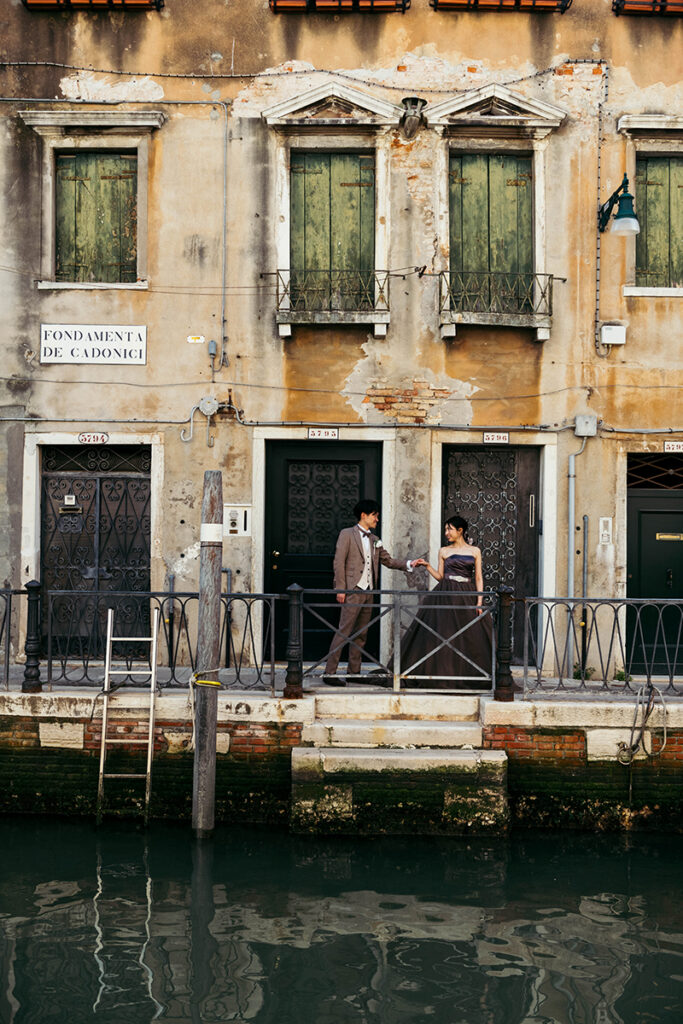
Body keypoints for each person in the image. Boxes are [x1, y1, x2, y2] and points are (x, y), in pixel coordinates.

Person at [324, 500, 425, 685]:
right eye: (374, 515)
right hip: (352, 590)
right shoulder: (346, 534)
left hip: (369, 591)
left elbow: (388, 561)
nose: (377, 519)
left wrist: (410, 564)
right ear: (364, 515)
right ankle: (329, 673)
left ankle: (353, 672)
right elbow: (338, 563)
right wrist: (341, 589)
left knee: (361, 634)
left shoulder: (374, 539)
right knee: (344, 631)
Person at [399, 515, 493, 690]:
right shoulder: (443, 551)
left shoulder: (475, 551)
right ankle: (443, 674)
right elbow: (441, 577)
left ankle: (470, 675)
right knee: (444, 634)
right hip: (445, 594)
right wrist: (427, 566)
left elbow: (478, 577)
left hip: (466, 595)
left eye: (449, 529)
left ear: (460, 531)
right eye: (445, 529)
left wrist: (479, 601)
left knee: (468, 636)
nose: (446, 533)